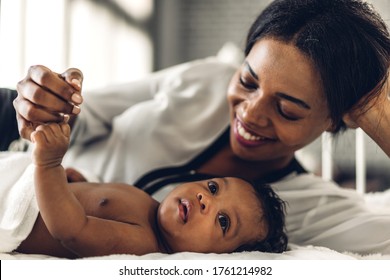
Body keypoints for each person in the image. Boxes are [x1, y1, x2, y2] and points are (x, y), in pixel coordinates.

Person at [4, 0, 390, 254]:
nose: (250, 114)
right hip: (25, 144)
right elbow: (89, 114)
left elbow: (71, 229)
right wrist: (53, 100)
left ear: (337, 119)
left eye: (287, 109)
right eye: (248, 81)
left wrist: (375, 107)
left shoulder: (312, 209)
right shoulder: (208, 78)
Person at [0, 121, 287, 258]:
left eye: (223, 221)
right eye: (213, 187)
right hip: (20, 177)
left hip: (14, 206)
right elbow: (98, 203)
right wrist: (74, 182)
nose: (204, 199)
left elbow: (72, 229)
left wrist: (49, 164)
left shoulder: (141, 242)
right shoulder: (147, 206)